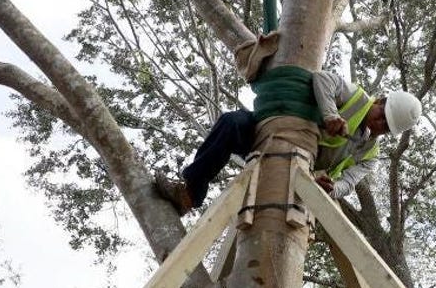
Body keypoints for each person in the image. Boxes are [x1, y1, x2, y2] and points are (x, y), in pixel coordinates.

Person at [155, 71, 422, 214]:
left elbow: (349, 182)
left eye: (386, 127)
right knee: (232, 122)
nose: (379, 125)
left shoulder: (369, 154)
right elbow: (323, 79)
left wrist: (333, 189)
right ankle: (191, 194)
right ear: (379, 101)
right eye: (381, 116)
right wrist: (330, 114)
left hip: (301, 174)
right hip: (272, 136)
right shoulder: (355, 96)